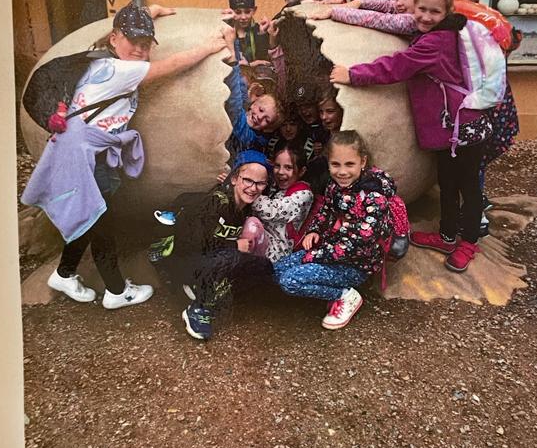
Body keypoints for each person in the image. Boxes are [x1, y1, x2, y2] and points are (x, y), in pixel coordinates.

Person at [22, 4, 227, 308]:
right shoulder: (121, 70)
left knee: (89, 216)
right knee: (102, 222)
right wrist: (210, 46)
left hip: (80, 150)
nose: (140, 49)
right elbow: (170, 65)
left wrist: (151, 10)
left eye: (146, 43)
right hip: (85, 157)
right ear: (115, 38)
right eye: (134, 41)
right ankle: (117, 292)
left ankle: (64, 274)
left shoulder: (100, 59)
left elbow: (121, 39)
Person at [330, 0, 492, 274]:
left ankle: (468, 242)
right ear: (414, 6)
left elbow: (397, 67)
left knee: (468, 188)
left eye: (435, 12)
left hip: (466, 128)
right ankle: (447, 236)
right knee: (447, 183)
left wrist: (353, 75)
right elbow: (388, 14)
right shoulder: (434, 31)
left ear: (447, 12)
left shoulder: (436, 42)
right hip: (449, 128)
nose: (426, 17)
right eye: (422, 9)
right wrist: (345, 5)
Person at [274, 131, 396, 330]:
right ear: (328, 163)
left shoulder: (374, 196)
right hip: (329, 251)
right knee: (278, 269)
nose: (342, 172)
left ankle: (345, 295)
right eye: (335, 164)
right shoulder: (334, 186)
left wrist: (315, 255)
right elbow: (326, 210)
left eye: (349, 164)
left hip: (356, 264)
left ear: (363, 162)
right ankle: (326, 285)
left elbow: (359, 242)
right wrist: (314, 230)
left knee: (289, 281)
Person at [153, 151, 275, 341]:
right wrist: (234, 245)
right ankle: (199, 307)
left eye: (260, 183)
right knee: (231, 256)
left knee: (264, 267)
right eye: (248, 180)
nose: (253, 188)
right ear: (234, 179)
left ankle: (206, 291)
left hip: (211, 262)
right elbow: (193, 243)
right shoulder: (216, 202)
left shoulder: (244, 207)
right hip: (187, 260)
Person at [249, 144, 314, 261]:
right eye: (277, 166)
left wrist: (249, 191)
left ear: (301, 171)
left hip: (276, 250)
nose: (280, 171)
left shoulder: (304, 194)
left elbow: (273, 211)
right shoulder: (274, 186)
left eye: (288, 167)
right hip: (259, 239)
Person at [224, 0, 270, 64]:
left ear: (254, 10)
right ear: (230, 12)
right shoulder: (226, 31)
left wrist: (262, 34)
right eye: (238, 12)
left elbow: (262, 60)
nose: (243, 17)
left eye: (247, 12)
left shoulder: (258, 30)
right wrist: (250, 65)